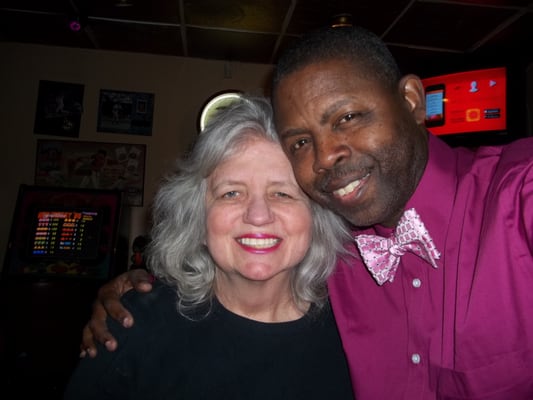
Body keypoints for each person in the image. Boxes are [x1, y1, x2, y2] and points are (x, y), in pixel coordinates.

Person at [80, 26, 533, 399]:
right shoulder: (343, 259)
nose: (326, 157)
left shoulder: (518, 199)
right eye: (300, 142)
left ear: (413, 101)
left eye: (348, 117)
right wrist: (133, 296)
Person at [64, 95, 355, 399]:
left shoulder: (358, 330)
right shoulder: (133, 326)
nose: (258, 215)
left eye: (282, 193)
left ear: (316, 217)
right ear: (198, 218)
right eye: (231, 193)